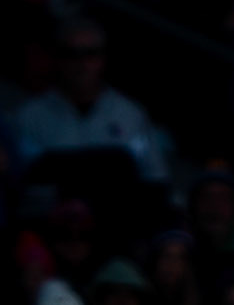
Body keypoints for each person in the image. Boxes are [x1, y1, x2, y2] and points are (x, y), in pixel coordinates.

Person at [12, 18, 168, 182]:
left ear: (102, 58)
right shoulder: (30, 117)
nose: (82, 63)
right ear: (59, 59)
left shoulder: (130, 116)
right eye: (72, 54)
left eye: (90, 53)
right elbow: (19, 178)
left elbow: (154, 178)